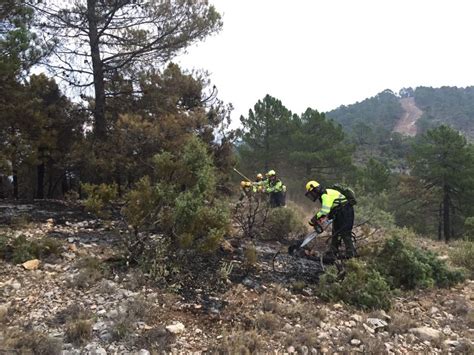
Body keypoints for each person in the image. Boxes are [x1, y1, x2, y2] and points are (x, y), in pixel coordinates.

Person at [305, 180, 356, 260]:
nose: (312, 195)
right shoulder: (324, 194)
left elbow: (325, 211)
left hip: (346, 211)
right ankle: (333, 252)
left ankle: (351, 254)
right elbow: (331, 208)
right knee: (335, 232)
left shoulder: (325, 195)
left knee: (345, 233)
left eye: (312, 193)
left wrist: (314, 218)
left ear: (316, 189)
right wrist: (323, 218)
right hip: (339, 212)